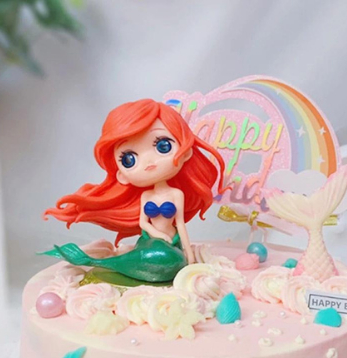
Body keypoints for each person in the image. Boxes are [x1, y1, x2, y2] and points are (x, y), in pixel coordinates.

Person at [43, 99, 226, 283]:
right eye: (129, 159)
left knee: (171, 261)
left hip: (173, 242)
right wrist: (158, 235)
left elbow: (180, 224)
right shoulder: (146, 195)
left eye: (163, 146)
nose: (148, 161)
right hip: (149, 242)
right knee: (161, 258)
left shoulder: (176, 194)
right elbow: (143, 223)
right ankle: (109, 264)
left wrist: (189, 255)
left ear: (186, 152)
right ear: (121, 175)